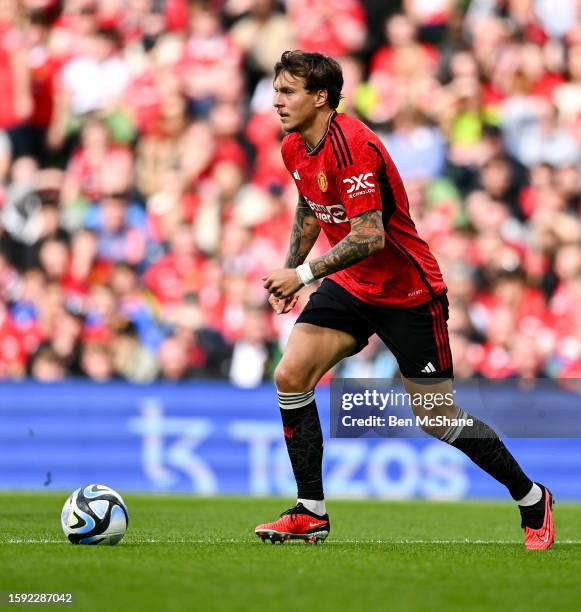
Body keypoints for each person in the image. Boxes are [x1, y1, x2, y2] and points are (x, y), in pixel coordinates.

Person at [255, 50, 555, 549]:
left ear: (321, 97)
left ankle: (530, 498)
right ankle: (311, 511)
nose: (277, 100)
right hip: (351, 285)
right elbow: (311, 206)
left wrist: (303, 273)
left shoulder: (355, 144)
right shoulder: (294, 148)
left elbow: (369, 236)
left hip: (408, 293)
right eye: (277, 90)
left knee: (437, 418)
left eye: (288, 92)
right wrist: (294, 273)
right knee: (290, 374)